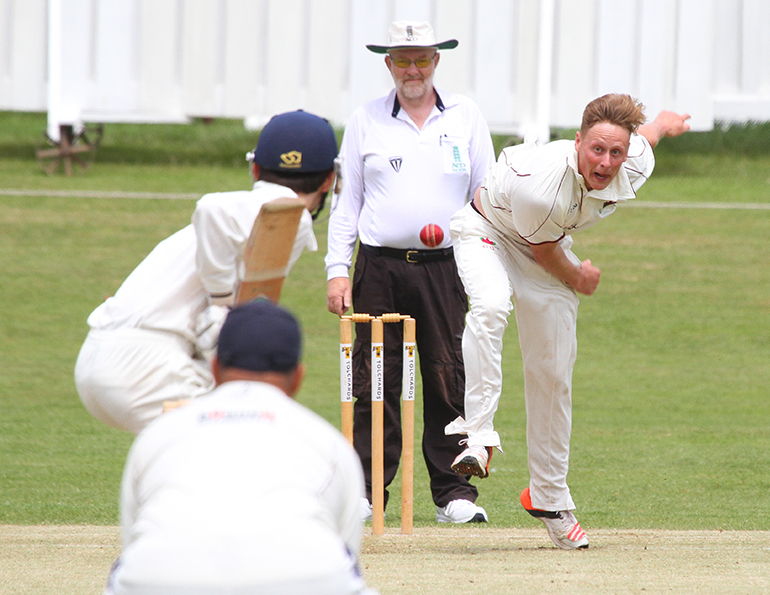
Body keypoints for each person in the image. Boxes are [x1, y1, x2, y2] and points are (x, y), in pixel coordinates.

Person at [445, 94, 691, 548]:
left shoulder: (634, 161)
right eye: (596, 149)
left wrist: (664, 122)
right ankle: (478, 438)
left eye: (616, 151)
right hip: (488, 231)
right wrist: (580, 278)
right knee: (492, 306)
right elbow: (546, 253)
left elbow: (648, 136)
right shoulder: (542, 186)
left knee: (554, 371)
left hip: (543, 245)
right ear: (578, 142)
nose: (606, 162)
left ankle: (548, 498)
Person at [325, 21, 495, 524]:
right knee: (374, 379)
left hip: (447, 267)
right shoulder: (366, 119)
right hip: (379, 267)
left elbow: (486, 194)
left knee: (448, 375)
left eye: (422, 59)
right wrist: (337, 270)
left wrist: (489, 261)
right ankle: (367, 491)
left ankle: (454, 494)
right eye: (403, 60)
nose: (413, 69)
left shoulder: (465, 115)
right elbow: (347, 203)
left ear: (436, 61)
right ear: (389, 64)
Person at [75, 110, 338, 434]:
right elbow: (212, 208)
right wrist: (221, 302)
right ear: (330, 179)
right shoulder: (286, 211)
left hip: (103, 359)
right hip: (147, 366)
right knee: (241, 435)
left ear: (255, 168)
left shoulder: (265, 212)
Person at [103, 299, 376, 595]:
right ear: (298, 377)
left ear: (215, 368)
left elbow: (133, 536)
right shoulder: (329, 442)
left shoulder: (158, 434)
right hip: (302, 579)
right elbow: (346, 550)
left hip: (159, 579)